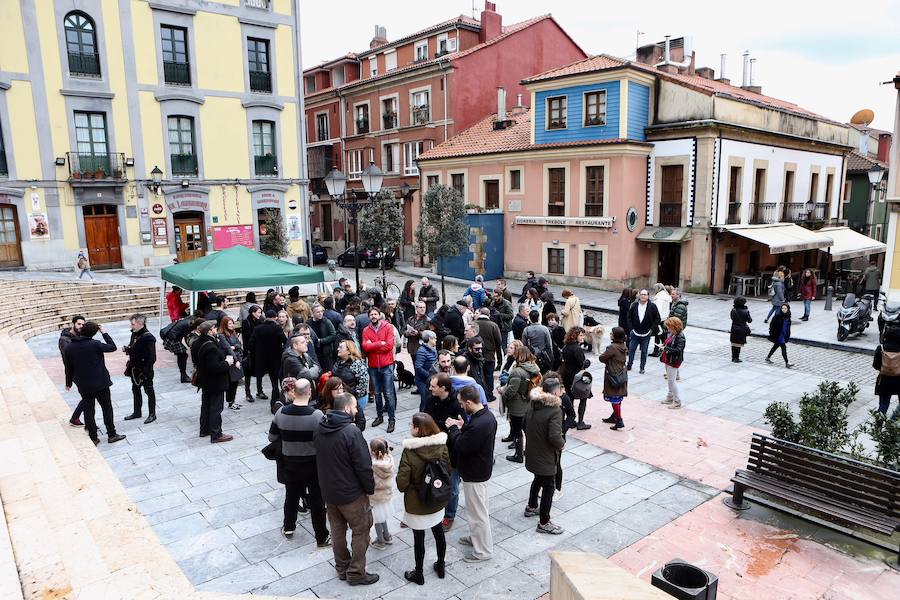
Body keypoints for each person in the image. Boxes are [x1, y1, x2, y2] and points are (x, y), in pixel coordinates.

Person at [315, 393, 379, 586]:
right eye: (355, 407)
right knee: (361, 529)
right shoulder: (351, 432)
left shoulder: (320, 427)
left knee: (337, 530)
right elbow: (363, 465)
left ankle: (342, 567)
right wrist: (370, 488)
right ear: (346, 409)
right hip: (351, 495)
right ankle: (356, 572)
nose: (357, 410)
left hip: (329, 492)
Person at [268, 377, 330, 545]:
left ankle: (289, 527)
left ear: (293, 392)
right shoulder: (317, 415)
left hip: (290, 463)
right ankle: (321, 536)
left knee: (291, 496)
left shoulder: (281, 413)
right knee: (317, 500)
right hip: (313, 465)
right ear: (309, 392)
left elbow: (272, 437)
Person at [396, 413, 450, 584]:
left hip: (416, 503)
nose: (410, 427)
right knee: (439, 533)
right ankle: (441, 565)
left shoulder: (409, 451)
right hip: (437, 498)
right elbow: (448, 470)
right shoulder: (442, 446)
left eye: (412, 424)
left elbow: (401, 483)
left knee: (418, 539)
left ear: (418, 429)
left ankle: (418, 573)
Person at [445, 385, 497, 563]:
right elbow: (473, 436)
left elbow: (462, 445)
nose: (460, 406)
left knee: (478, 514)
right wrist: (463, 426)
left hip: (475, 473)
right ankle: (476, 538)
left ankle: (483, 551)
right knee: (479, 510)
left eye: (461, 403)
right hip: (480, 470)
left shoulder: (479, 424)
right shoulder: (485, 416)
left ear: (469, 402)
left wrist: (453, 428)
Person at [63, 321, 126, 446]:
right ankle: (111, 434)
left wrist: (68, 382)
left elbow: (68, 367)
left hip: (84, 385)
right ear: (94, 333)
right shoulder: (95, 344)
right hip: (101, 383)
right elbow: (112, 347)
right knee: (107, 409)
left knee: (88, 411)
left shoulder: (69, 347)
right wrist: (104, 332)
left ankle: (93, 437)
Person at [524, 378, 565, 534]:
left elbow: (524, 423)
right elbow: (554, 436)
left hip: (533, 452)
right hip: (546, 455)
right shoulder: (555, 410)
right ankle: (544, 522)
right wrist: (561, 443)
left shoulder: (533, 404)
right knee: (549, 486)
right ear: (555, 392)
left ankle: (532, 506)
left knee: (538, 478)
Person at [425, 373, 464, 531]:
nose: (430, 388)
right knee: (435, 479)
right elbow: (426, 419)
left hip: (452, 451)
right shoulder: (431, 399)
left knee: (453, 486)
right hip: (435, 448)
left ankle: (450, 515)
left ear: (443, 388)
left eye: (433, 386)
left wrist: (441, 426)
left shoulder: (457, 404)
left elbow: (460, 428)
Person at [191, 320, 234, 442]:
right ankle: (216, 434)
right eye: (214, 328)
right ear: (209, 331)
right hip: (215, 382)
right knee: (216, 407)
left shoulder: (196, 343)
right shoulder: (210, 346)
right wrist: (227, 363)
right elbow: (214, 367)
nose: (216, 330)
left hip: (204, 380)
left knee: (206, 405)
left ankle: (204, 430)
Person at [501, 344, 540, 463]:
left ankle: (518, 455)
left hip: (517, 406)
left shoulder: (517, 372)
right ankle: (532, 451)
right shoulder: (534, 367)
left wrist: (503, 393)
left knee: (517, 431)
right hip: (528, 403)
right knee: (527, 430)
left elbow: (511, 390)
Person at [362, 307, 398, 433]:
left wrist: (374, 346)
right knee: (377, 393)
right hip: (373, 366)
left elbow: (389, 346)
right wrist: (379, 343)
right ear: (369, 316)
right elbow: (365, 347)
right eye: (371, 314)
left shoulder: (388, 327)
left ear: (379, 315)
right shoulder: (366, 330)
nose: (373, 316)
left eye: (375, 314)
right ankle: (379, 417)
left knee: (388, 394)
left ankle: (392, 420)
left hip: (387, 365)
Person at [123, 313, 157, 424]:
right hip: (134, 368)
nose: (131, 326)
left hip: (145, 369)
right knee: (135, 389)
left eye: (133, 324)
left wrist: (145, 372)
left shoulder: (149, 337)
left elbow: (152, 357)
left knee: (149, 391)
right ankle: (137, 412)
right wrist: (128, 349)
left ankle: (152, 414)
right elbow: (133, 347)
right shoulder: (134, 334)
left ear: (140, 324)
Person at [251, 309, 287, 409]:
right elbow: (285, 341)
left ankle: (274, 404)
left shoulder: (258, 329)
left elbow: (251, 344)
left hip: (263, 360)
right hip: (277, 359)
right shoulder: (277, 328)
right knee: (280, 381)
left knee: (274, 383)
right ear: (275, 317)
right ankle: (281, 402)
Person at [332, 339, 369, 429]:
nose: (338, 349)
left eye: (341, 347)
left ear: (349, 351)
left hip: (355, 399)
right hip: (342, 398)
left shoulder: (357, 363)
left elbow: (363, 383)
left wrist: (353, 396)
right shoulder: (339, 362)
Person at [597, 327, 628, 430]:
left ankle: (619, 420)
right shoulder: (622, 345)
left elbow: (602, 358)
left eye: (612, 333)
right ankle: (614, 416)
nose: (610, 334)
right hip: (621, 372)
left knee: (614, 397)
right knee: (618, 397)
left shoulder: (612, 347)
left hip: (613, 374)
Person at [280, 334, 321, 409]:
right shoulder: (291, 359)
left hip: (307, 394)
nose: (306, 343)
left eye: (305, 341)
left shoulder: (305, 355)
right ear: (295, 346)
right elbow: (309, 375)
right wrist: (314, 368)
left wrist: (315, 368)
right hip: (297, 398)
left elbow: (318, 367)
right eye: (302, 342)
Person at [368, 438, 395, 549]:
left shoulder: (373, 466)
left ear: (373, 452)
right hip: (386, 495)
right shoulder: (389, 460)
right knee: (382, 517)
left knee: (377, 520)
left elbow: (371, 481)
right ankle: (387, 536)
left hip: (376, 497)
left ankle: (380, 541)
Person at [60, 315, 86, 427]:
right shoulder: (64, 339)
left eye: (83, 325)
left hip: (84, 370)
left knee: (88, 396)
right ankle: (77, 419)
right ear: (73, 324)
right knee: (88, 396)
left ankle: (76, 418)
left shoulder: (81, 335)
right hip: (76, 372)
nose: (81, 326)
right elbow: (67, 361)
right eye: (79, 324)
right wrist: (68, 381)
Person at [627, 290, 660, 374]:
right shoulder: (634, 305)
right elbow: (629, 317)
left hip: (646, 333)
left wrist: (651, 330)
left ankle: (642, 367)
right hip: (635, 332)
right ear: (639, 296)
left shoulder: (652, 306)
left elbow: (657, 319)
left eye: (645, 295)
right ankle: (629, 364)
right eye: (641, 294)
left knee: (644, 351)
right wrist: (631, 329)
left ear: (648, 296)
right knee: (631, 349)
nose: (643, 296)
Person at [217, 316, 244, 411]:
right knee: (231, 382)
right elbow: (228, 348)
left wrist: (235, 347)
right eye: (229, 324)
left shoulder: (233, 333)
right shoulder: (221, 335)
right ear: (224, 325)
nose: (232, 325)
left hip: (236, 358)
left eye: (232, 323)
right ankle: (230, 402)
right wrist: (236, 359)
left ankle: (232, 401)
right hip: (230, 360)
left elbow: (239, 345)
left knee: (235, 382)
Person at [873, 326, 900, 418]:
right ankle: (893, 424)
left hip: (884, 380)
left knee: (883, 405)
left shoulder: (880, 348)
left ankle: (877, 428)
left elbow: (875, 365)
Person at [475, 308, 503, 396]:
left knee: (478, 375)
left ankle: (479, 394)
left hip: (476, 355)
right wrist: (499, 360)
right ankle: (489, 394)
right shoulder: (493, 325)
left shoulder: (474, 324)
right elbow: (499, 342)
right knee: (488, 375)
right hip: (489, 355)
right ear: (489, 315)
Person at [660, 317, 687, 409]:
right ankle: (670, 397)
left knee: (672, 381)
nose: (668, 328)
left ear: (674, 326)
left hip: (673, 361)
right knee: (669, 380)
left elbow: (678, 350)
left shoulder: (680, 337)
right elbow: (669, 344)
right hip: (668, 359)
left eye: (669, 327)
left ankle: (677, 401)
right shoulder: (673, 334)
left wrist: (666, 348)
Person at [241, 304, 263, 401]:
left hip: (259, 350)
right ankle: (248, 393)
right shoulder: (246, 322)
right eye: (258, 312)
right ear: (253, 313)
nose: (260, 314)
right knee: (248, 373)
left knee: (259, 371)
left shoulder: (260, 321)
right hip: (249, 351)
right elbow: (247, 337)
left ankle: (260, 390)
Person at [559, 326, 587, 401]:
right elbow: (582, 363)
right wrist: (588, 362)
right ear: (574, 336)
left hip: (567, 374)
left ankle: (569, 412)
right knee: (583, 397)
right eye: (581, 335)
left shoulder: (566, 347)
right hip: (576, 376)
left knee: (569, 396)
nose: (583, 337)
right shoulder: (577, 349)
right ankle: (578, 413)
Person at [309, 304, 336, 373]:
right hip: (313, 352)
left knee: (327, 372)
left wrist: (321, 341)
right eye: (318, 312)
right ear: (313, 313)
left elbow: (333, 335)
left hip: (326, 353)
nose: (320, 313)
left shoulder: (326, 322)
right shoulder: (308, 323)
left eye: (321, 311)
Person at [414, 330, 438, 410]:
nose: (436, 340)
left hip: (429, 379)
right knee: (425, 400)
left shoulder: (433, 349)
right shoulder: (422, 351)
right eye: (434, 338)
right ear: (430, 339)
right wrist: (429, 376)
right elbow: (418, 367)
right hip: (423, 381)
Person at [766, 303, 794, 368]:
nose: (783, 310)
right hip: (778, 335)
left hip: (784, 335)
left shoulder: (788, 317)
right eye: (782, 308)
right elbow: (772, 325)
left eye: (785, 308)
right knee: (783, 348)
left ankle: (768, 357)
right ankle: (787, 363)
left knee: (775, 346)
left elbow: (788, 327)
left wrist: (788, 334)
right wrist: (771, 333)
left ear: (788, 309)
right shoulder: (777, 316)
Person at [650, 283, 672, 357]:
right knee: (663, 336)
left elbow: (657, 310)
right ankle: (663, 350)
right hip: (665, 318)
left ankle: (656, 351)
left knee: (657, 335)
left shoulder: (659, 298)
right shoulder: (666, 296)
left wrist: (654, 318)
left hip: (659, 319)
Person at [730, 297, 753, 363]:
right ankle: (736, 358)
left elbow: (731, 317)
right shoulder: (745, 311)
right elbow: (749, 320)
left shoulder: (733, 310)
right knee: (738, 344)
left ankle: (733, 357)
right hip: (741, 329)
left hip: (734, 328)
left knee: (734, 343)